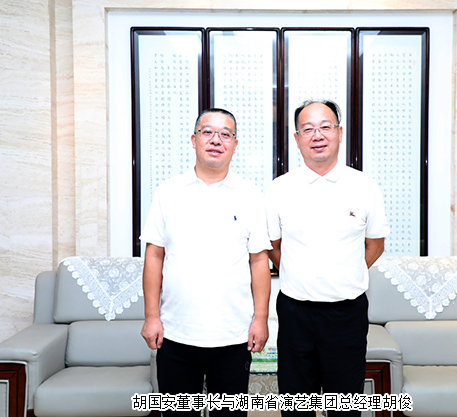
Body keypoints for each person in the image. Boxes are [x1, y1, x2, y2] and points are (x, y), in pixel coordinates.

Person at [140, 108, 272, 416]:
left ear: (235, 145)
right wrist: (151, 316)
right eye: (207, 132)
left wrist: (261, 319)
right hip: (175, 332)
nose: (216, 140)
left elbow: (258, 261)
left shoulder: (249, 194)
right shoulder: (168, 191)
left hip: (233, 334)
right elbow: (154, 255)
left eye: (225, 134)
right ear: (194, 139)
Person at [265, 99, 390, 416]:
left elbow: (375, 244)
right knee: (295, 404)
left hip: (346, 314)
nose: (317, 135)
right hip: (295, 312)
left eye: (325, 127)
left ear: (339, 132)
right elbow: (274, 246)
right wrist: (300, 271)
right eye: (308, 129)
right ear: (297, 139)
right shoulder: (279, 189)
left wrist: (344, 271)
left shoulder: (364, 186)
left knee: (344, 405)